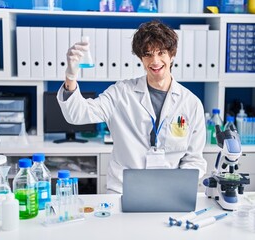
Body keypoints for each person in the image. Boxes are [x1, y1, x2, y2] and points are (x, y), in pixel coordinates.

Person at [57, 20, 207, 194]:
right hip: (123, 191)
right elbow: (77, 114)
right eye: (148, 54)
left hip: (170, 193)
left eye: (161, 53)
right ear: (141, 58)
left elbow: (194, 160)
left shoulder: (191, 103)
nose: (155, 61)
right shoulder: (121, 93)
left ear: (172, 55)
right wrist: (70, 76)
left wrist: (176, 187)